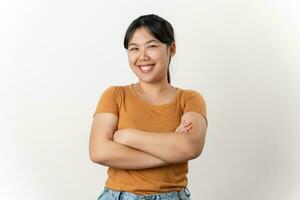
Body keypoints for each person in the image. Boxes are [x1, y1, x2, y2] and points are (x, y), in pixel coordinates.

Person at [89, 14, 208, 200]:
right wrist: (170, 153)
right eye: (134, 49)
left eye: (152, 46)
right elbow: (99, 151)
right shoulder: (114, 95)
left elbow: (190, 147)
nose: (142, 57)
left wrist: (126, 136)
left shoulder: (190, 99)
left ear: (172, 49)